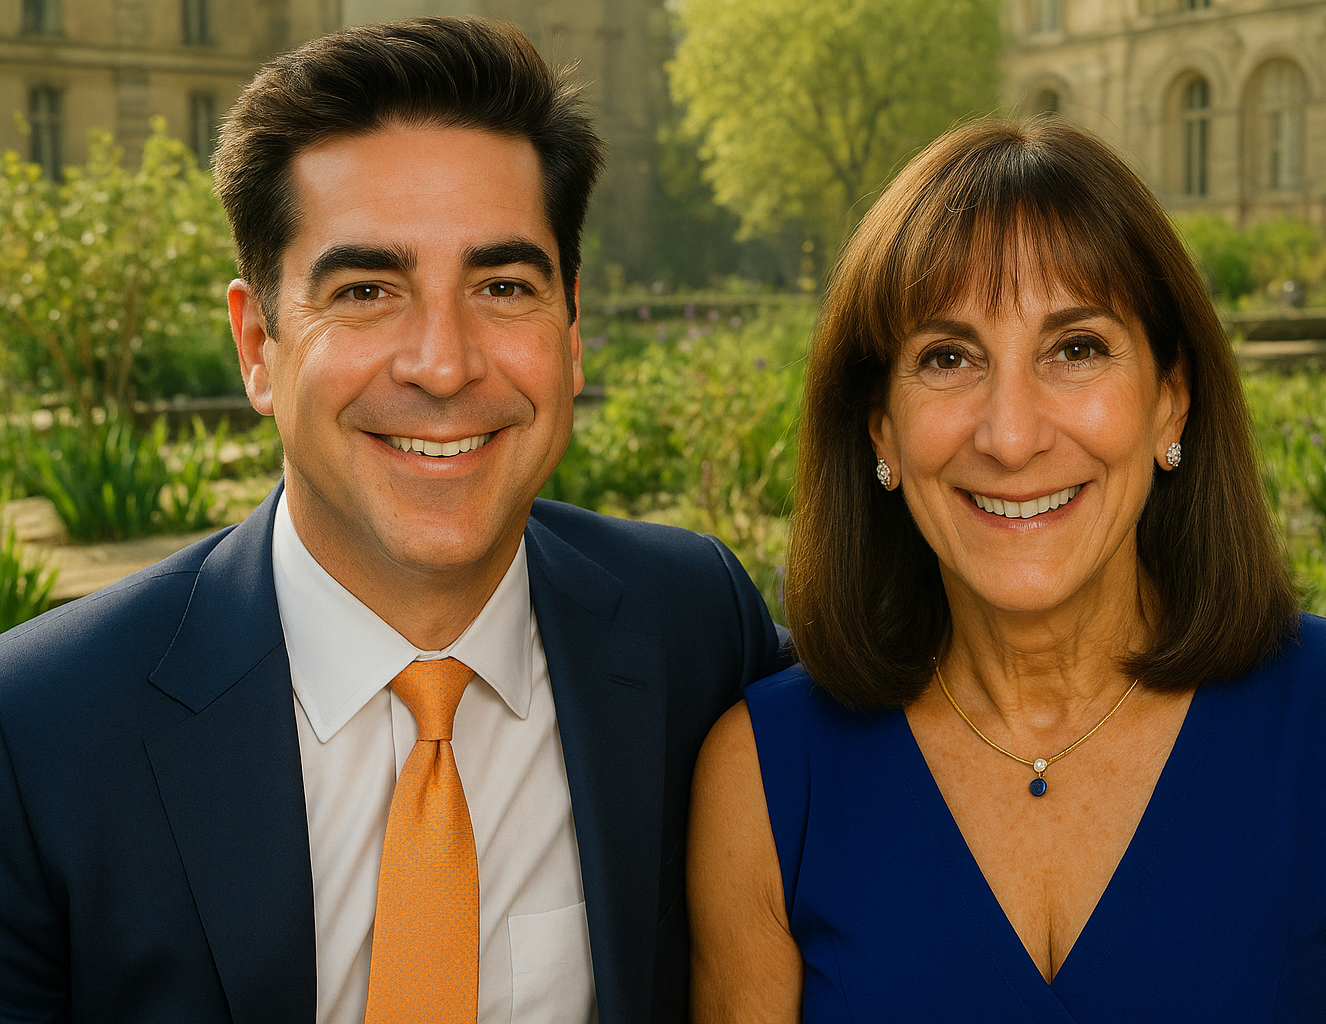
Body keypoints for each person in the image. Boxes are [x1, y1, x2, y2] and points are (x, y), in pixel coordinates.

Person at [0, 18, 784, 1024]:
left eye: (503, 287)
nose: (444, 363)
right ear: (257, 344)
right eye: (366, 290)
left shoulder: (694, 626)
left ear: (575, 332)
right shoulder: (43, 735)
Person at [688, 119, 1326, 1022]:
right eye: (948, 358)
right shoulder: (762, 778)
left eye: (1076, 348)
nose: (1013, 435)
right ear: (882, 430)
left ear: (1170, 404)